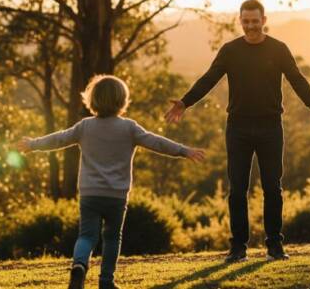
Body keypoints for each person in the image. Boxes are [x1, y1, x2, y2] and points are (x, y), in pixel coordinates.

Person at [164, 0, 310, 263]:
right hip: (238, 128)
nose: (251, 26)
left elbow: (296, 77)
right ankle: (238, 247)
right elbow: (209, 78)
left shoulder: (278, 49)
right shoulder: (230, 51)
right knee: (237, 188)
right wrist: (185, 102)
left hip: (270, 127)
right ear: (240, 21)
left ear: (264, 20)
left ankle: (275, 246)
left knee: (272, 188)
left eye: (255, 21)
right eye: (246, 21)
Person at [15, 75, 205, 289]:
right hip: (116, 196)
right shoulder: (129, 128)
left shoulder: (85, 126)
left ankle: (79, 265)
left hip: (89, 193)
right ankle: (106, 281)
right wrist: (183, 150)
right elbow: (156, 142)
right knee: (113, 237)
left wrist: (33, 144)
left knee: (86, 235)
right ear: (122, 101)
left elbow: (59, 138)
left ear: (92, 100)